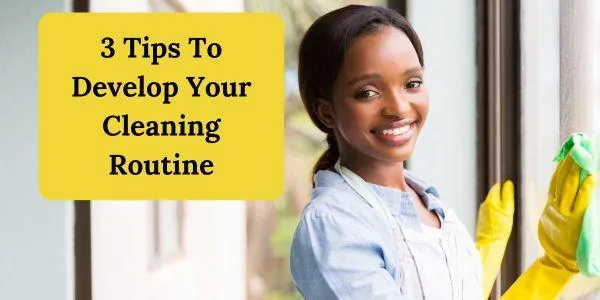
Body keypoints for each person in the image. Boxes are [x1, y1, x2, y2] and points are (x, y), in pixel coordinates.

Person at [289, 5, 595, 300]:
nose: (398, 107)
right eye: (367, 92)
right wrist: (550, 271)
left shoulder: (431, 205)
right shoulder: (334, 225)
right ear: (326, 112)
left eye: (412, 83)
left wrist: (554, 265)